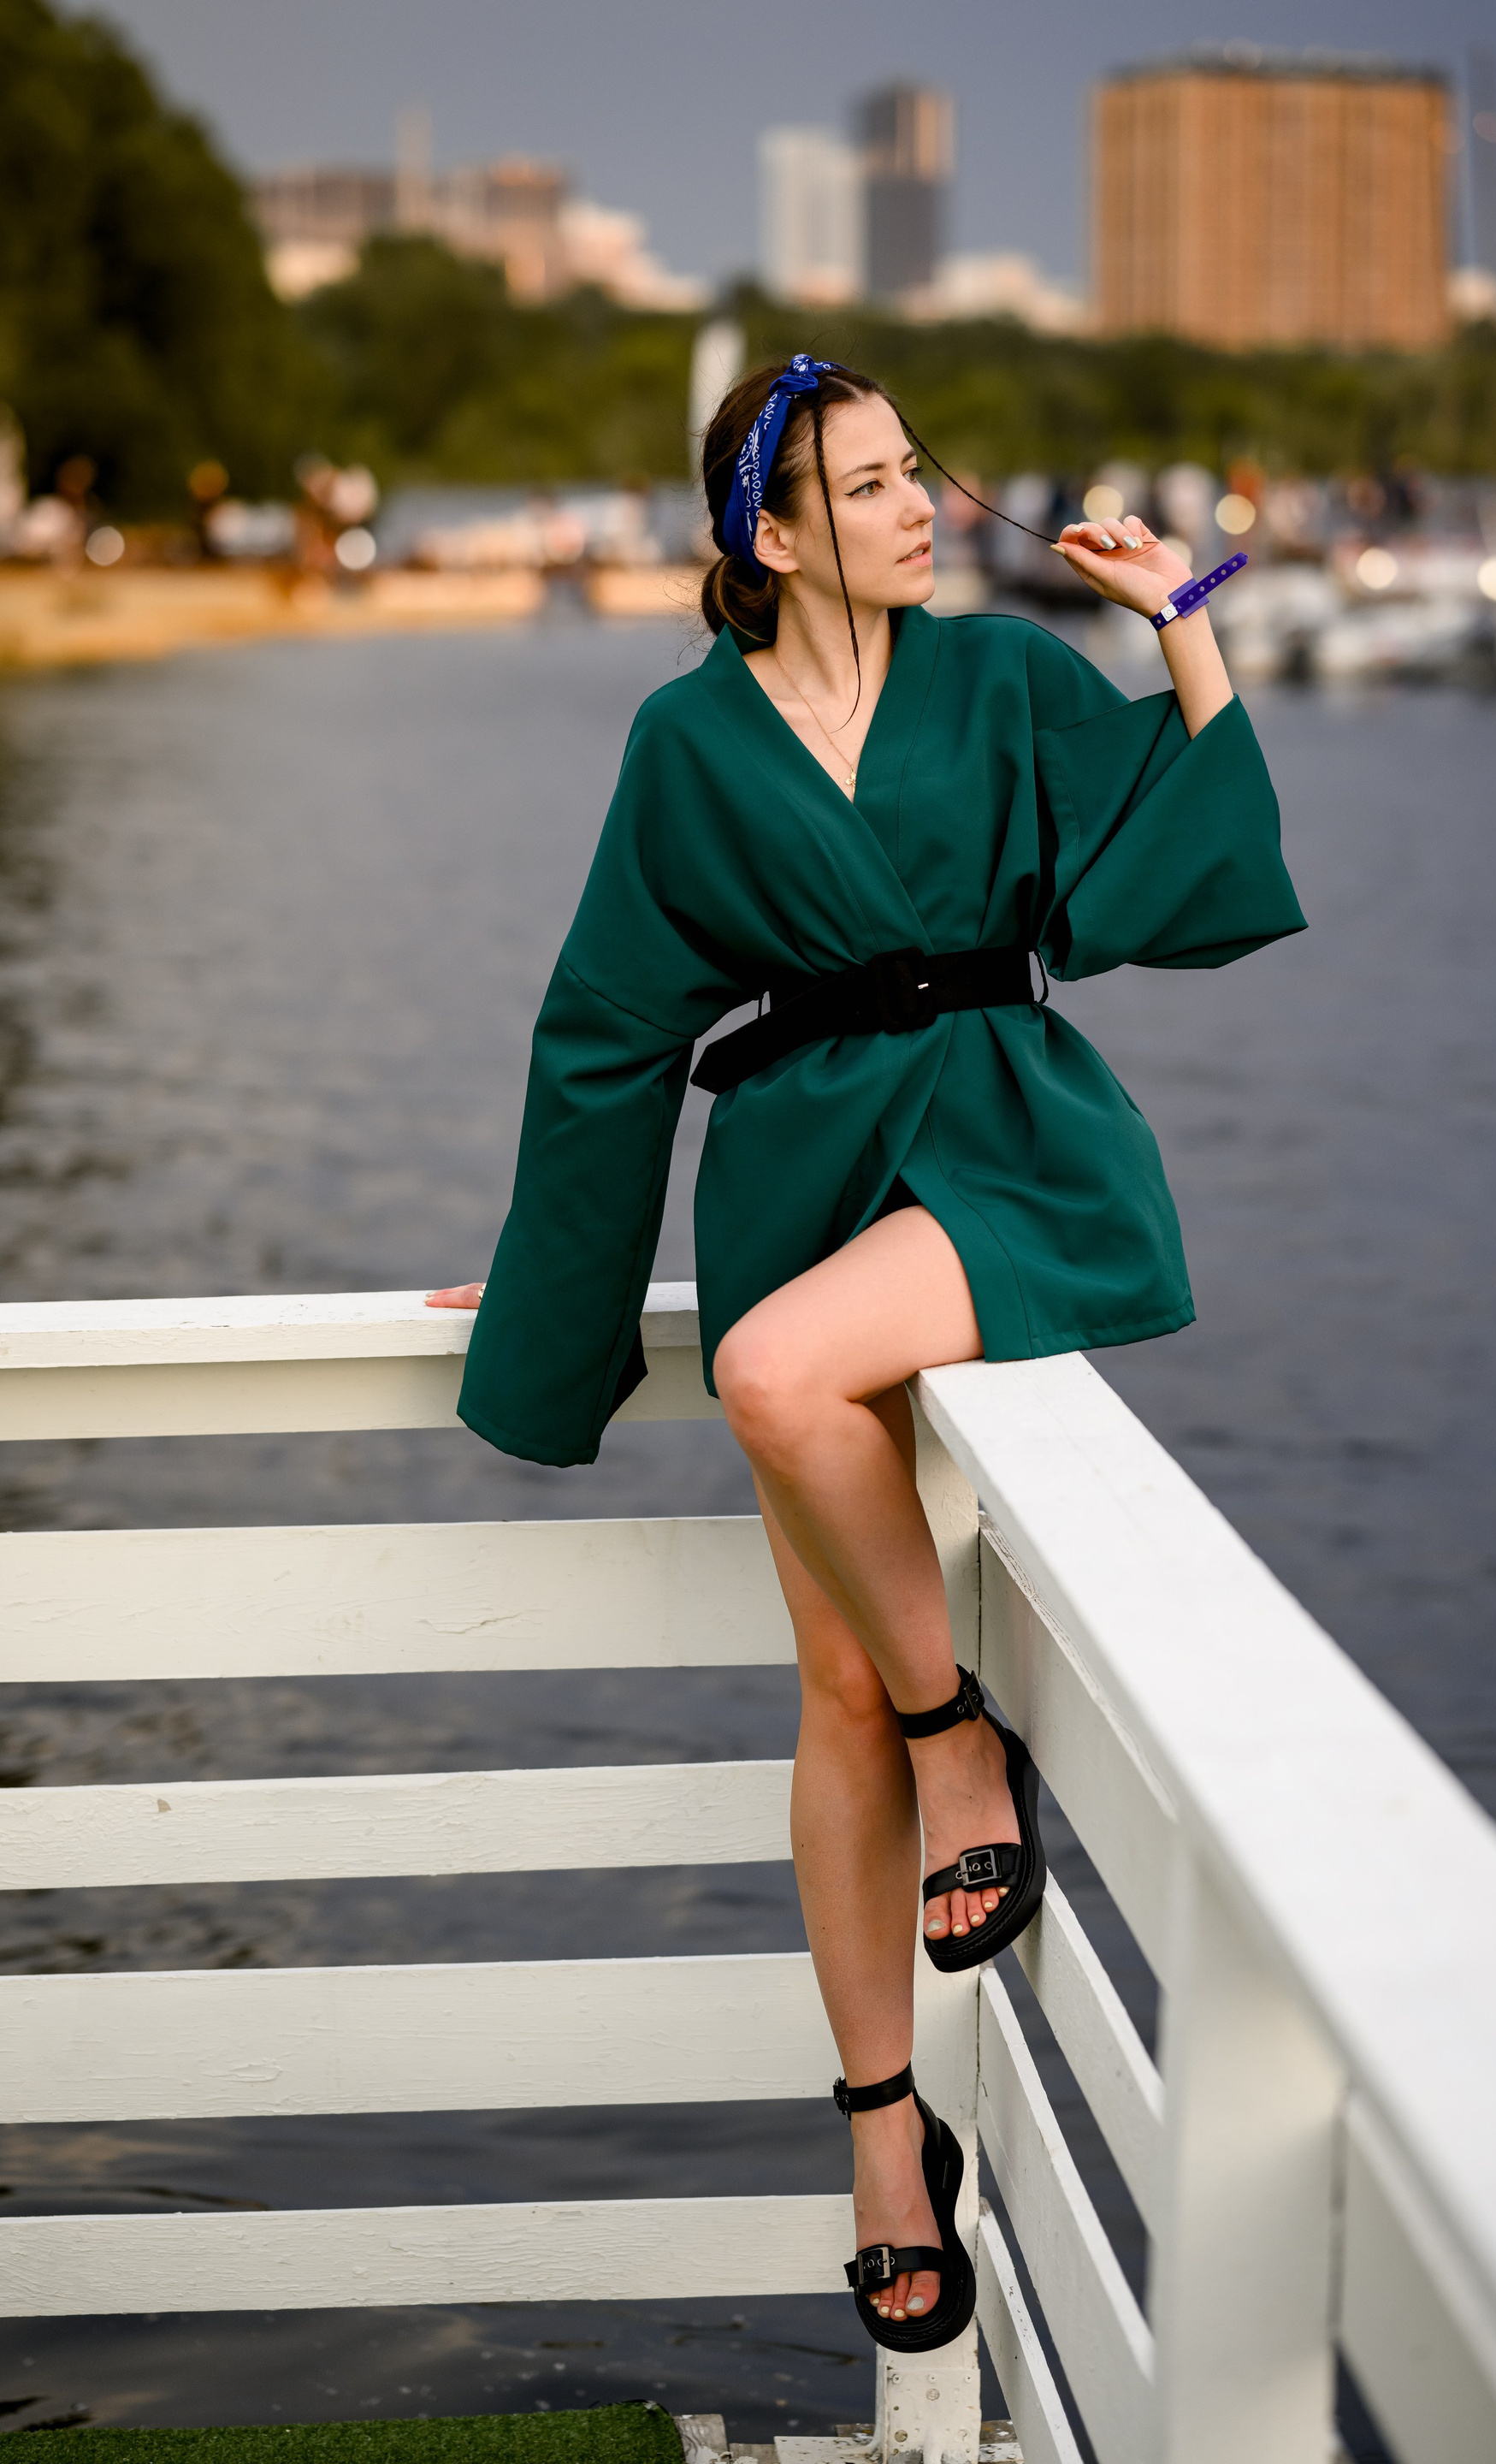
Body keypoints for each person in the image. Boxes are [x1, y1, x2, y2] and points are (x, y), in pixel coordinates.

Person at [429, 357, 1304, 2353]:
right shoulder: (686, 741)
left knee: (770, 1376)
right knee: (826, 1681)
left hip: (1004, 1144)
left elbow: (1173, 860)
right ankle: (888, 2140)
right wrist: (543, 1293)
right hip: (796, 1163)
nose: (926, 506)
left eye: (922, 472)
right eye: (877, 484)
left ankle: (958, 1733)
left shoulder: (999, 676)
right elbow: (607, 1034)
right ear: (772, 532)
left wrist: (1181, 621)